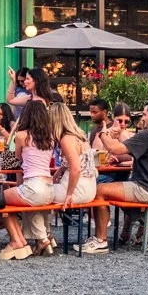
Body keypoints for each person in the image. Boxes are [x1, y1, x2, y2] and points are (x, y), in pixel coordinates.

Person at [99, 99, 148, 250]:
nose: (142, 118)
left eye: (145, 114)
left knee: (101, 190)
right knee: (122, 195)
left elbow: (115, 149)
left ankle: (100, 240)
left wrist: (103, 133)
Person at [0, 98, 63, 258]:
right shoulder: (50, 137)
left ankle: (18, 240)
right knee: (30, 203)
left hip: (33, 185)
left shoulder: (21, 136)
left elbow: (18, 157)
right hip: (49, 187)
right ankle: (43, 238)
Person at [53, 100, 108, 254]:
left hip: (77, 189)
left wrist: (69, 194)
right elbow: (79, 160)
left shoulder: (65, 139)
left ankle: (42, 236)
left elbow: (76, 169)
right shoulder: (80, 135)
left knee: (38, 194)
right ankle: (44, 236)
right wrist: (61, 169)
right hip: (90, 187)